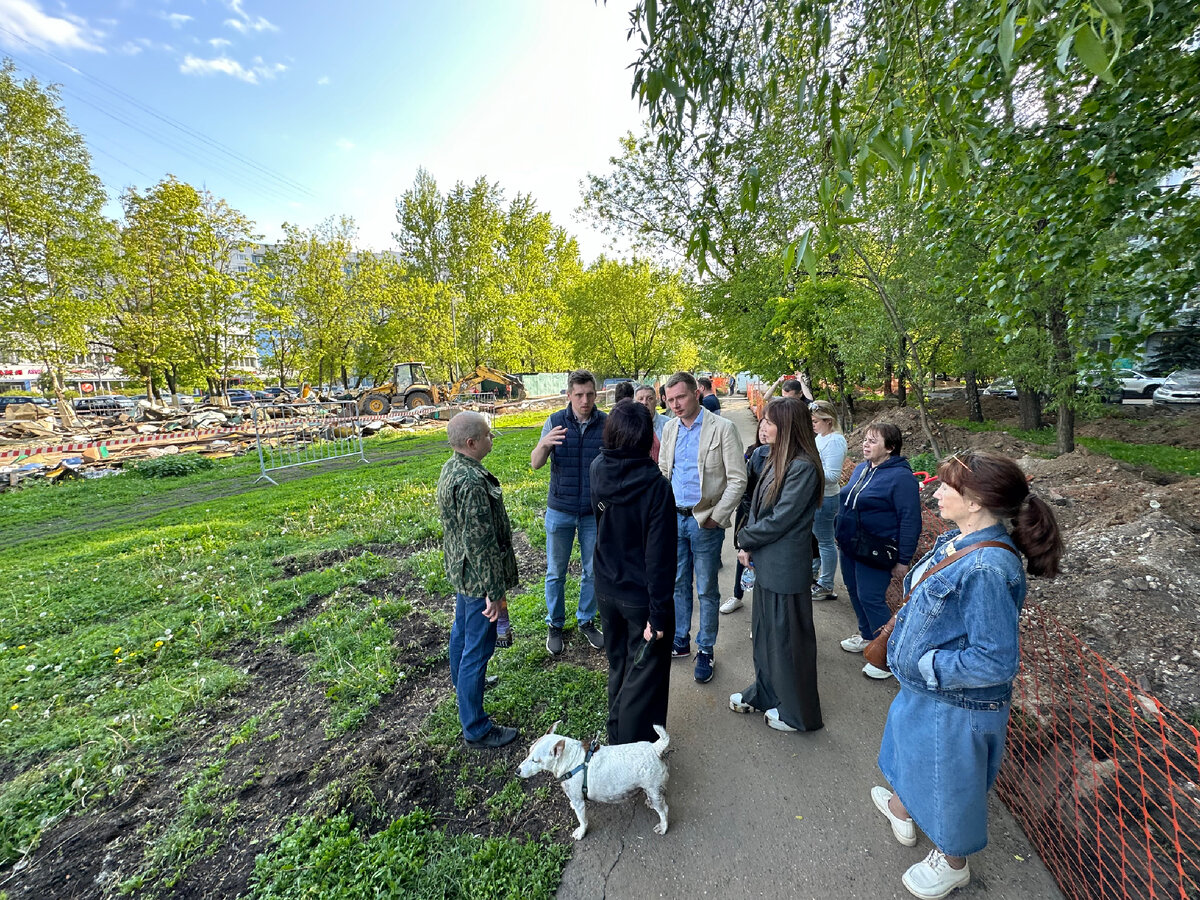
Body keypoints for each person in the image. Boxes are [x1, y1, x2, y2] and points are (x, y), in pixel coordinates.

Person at [873, 449, 1063, 899]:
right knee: (911, 753)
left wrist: (927, 665)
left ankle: (952, 861)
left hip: (957, 703)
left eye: (946, 486)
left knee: (949, 780)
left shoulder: (987, 568)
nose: (934, 491)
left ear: (975, 500)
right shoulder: (961, 540)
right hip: (931, 694)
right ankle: (903, 807)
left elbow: (994, 661)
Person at [730, 398, 824, 732]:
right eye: (763, 420)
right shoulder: (773, 458)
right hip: (766, 562)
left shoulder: (803, 467)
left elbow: (781, 518)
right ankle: (767, 693)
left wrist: (746, 539)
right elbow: (758, 509)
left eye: (770, 421)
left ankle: (798, 714)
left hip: (785, 568)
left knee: (788, 643)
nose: (762, 426)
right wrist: (748, 543)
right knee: (765, 635)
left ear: (788, 426)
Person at [590, 400, 677, 744]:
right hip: (640, 596)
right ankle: (627, 745)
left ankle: (618, 736)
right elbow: (659, 558)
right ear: (645, 438)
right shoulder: (656, 486)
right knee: (643, 674)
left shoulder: (598, 467)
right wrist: (658, 615)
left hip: (606, 586)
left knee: (618, 665)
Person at [436, 411, 519, 749]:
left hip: (462, 573)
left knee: (462, 635)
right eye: (487, 435)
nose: (491, 439)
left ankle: (466, 687)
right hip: (478, 580)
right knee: (478, 649)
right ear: (471, 443)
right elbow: (480, 543)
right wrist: (494, 594)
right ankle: (476, 727)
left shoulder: (453, 466)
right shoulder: (470, 481)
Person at [658, 371, 747, 683]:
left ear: (696, 393)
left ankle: (705, 648)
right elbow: (664, 471)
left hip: (704, 520)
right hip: (673, 518)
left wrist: (717, 516)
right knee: (678, 583)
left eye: (680, 397)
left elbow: (738, 479)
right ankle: (681, 640)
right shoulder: (669, 428)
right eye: (669, 400)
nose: (676, 404)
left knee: (707, 587)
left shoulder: (722, 428)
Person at [835, 422, 922, 679]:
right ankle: (867, 637)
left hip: (875, 549)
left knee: (871, 597)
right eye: (865, 439)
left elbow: (910, 520)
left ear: (890, 448)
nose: (865, 444)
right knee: (854, 591)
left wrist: (903, 559)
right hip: (850, 545)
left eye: (873, 441)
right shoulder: (862, 469)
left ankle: (887, 654)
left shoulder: (901, 478)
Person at [531, 370, 607, 656]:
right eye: (579, 395)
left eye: (589, 394)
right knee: (555, 573)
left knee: (592, 571)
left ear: (595, 394)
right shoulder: (554, 422)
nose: (585, 400)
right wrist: (544, 444)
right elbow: (536, 463)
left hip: (592, 513)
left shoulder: (606, 424)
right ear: (568, 395)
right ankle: (555, 624)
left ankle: (586, 620)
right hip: (559, 510)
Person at [720, 416, 770, 615]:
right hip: (747, 514)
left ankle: (761, 612)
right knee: (744, 555)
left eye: (769, 428)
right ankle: (737, 595)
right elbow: (743, 485)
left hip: (767, 519)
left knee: (763, 562)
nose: (764, 433)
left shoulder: (786, 459)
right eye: (761, 429)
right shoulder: (753, 453)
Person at [810, 400, 848, 601]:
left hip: (826, 497)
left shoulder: (834, 441)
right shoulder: (821, 437)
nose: (813, 424)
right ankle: (815, 575)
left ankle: (826, 584)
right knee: (817, 539)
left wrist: (807, 468)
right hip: (816, 495)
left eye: (816, 421)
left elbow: (833, 475)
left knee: (825, 541)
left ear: (828, 421)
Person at [635, 383, 669, 462]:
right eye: (640, 399)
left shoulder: (668, 424)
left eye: (650, 398)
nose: (645, 402)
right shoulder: (629, 426)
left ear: (656, 402)